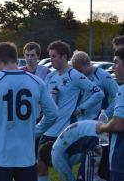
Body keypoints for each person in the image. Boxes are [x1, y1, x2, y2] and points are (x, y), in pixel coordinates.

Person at [0, 41, 58, 181]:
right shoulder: (36, 81)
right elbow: (53, 114)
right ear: (16, 59)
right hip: (26, 155)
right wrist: (37, 130)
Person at [38, 40, 104, 181]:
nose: (51, 59)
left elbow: (98, 93)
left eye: (54, 56)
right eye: (50, 56)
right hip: (47, 130)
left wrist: (81, 108)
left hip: (63, 132)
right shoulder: (50, 76)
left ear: (64, 56)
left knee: (63, 169)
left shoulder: (75, 75)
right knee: (41, 166)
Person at [39, 120, 108, 181]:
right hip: (103, 131)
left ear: (48, 160)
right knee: (103, 174)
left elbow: (68, 177)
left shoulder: (55, 157)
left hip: (94, 138)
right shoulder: (60, 146)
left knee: (84, 178)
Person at [96, 47, 124, 181]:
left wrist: (101, 127)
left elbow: (118, 124)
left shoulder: (123, 90)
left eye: (116, 62)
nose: (113, 67)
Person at [71, 50, 118, 119]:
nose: (79, 74)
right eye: (77, 71)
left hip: (95, 122)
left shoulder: (103, 75)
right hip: (77, 121)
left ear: (88, 64)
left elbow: (118, 96)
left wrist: (105, 115)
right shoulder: (77, 77)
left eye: (80, 70)